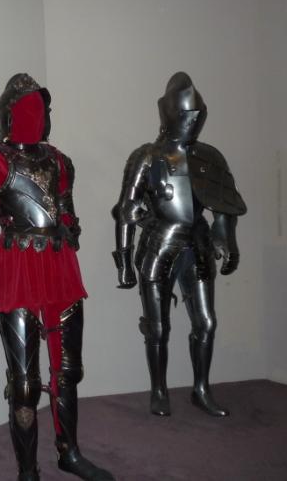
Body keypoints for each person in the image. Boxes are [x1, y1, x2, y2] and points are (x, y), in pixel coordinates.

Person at [0, 74, 113, 481]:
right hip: (18, 269)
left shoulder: (60, 161)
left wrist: (67, 232)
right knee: (25, 383)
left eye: (41, 109)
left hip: (59, 267)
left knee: (68, 370)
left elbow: (68, 216)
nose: (37, 116)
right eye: (28, 109)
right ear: (9, 115)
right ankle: (28, 471)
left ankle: (69, 453)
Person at [112, 72, 246, 417]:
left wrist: (228, 241)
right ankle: (159, 391)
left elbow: (223, 206)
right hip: (159, 245)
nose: (192, 121)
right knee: (158, 327)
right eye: (186, 114)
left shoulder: (210, 157)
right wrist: (124, 263)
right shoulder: (147, 156)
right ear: (170, 113)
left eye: (197, 115)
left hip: (198, 245)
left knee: (206, 322)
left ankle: (201, 389)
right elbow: (126, 210)